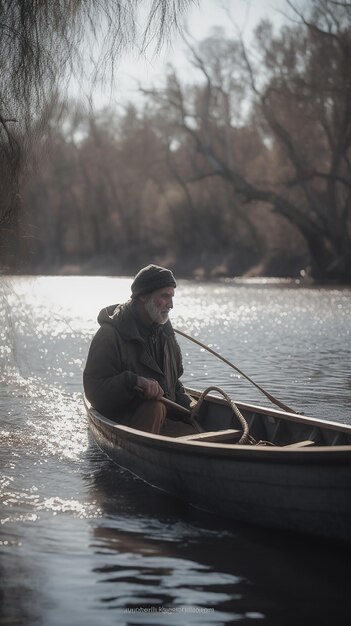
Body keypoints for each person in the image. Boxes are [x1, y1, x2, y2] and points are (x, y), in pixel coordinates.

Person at [83, 264, 200, 436]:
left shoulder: (165, 332)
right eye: (165, 296)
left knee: (204, 417)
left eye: (172, 297)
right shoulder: (109, 335)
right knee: (155, 408)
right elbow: (95, 392)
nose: (171, 305)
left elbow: (173, 383)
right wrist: (134, 382)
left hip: (165, 422)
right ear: (144, 296)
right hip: (124, 422)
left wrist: (191, 406)